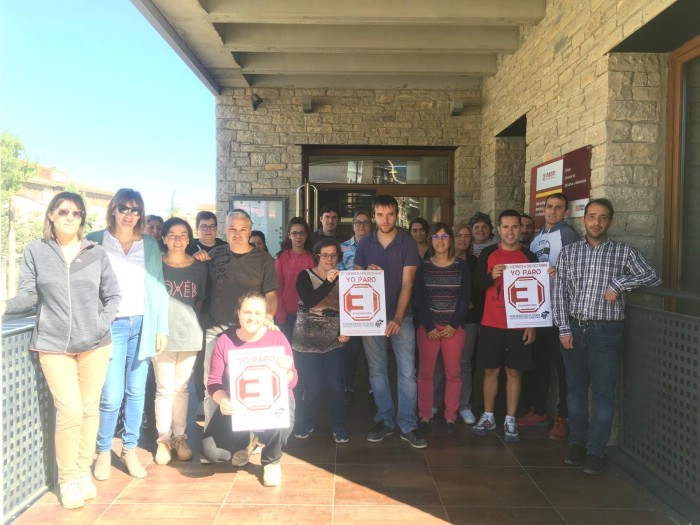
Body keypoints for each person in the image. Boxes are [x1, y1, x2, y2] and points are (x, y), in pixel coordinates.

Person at [1, 192, 120, 510]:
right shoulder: (36, 251)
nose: (70, 217)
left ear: (82, 219)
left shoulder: (95, 253)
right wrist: (4, 306)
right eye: (64, 211)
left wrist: (99, 324)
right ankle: (67, 479)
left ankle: (82, 471)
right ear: (51, 215)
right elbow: (27, 296)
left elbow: (113, 295)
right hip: (53, 345)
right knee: (70, 410)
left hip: (95, 344)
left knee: (89, 409)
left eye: (77, 213)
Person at [553, 198, 660, 474]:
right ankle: (577, 444)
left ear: (609, 221)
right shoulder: (569, 252)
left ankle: (595, 451)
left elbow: (652, 277)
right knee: (575, 391)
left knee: (602, 394)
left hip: (606, 332)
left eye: (602, 217)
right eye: (591, 216)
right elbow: (560, 293)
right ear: (583, 219)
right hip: (574, 330)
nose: (596, 222)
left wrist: (620, 283)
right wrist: (563, 328)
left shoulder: (624, 252)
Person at [88, 188, 169, 481]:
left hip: (142, 324)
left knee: (136, 392)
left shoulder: (148, 244)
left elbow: (158, 287)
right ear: (113, 209)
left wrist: (161, 327)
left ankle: (129, 449)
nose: (129, 214)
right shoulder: (96, 241)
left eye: (136, 210)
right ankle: (102, 450)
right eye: (124, 208)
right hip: (111, 326)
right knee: (110, 394)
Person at [354, 195, 426, 449]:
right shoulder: (365, 243)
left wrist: (397, 316)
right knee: (377, 372)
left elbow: (408, 283)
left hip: (401, 317)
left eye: (390, 214)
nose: (385, 220)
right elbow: (355, 279)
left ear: (397, 215)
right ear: (374, 215)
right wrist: (365, 273)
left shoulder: (407, 242)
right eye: (380, 214)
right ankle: (384, 420)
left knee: (407, 372)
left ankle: (408, 424)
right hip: (370, 318)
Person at [203, 293, 297, 486]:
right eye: (247, 312)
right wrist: (223, 401)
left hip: (274, 402)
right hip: (239, 405)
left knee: (283, 418)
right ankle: (246, 440)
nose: (252, 317)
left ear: (265, 317)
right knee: (210, 451)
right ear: (238, 313)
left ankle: (271, 460)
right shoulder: (224, 341)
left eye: (258, 313)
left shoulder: (277, 338)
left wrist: (286, 370)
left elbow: (293, 380)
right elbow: (213, 383)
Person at [196, 209, 279, 427]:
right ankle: (211, 436)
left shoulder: (264, 260)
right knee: (212, 387)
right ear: (225, 229)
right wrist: (197, 259)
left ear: (250, 231)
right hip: (216, 330)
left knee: (253, 387)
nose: (237, 233)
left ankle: (250, 439)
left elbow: (271, 294)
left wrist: (268, 316)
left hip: (250, 333)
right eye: (232, 228)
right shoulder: (214, 255)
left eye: (243, 229)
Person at [471, 210, 537, 443]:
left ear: (521, 229)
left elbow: (536, 294)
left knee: (514, 372)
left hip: (519, 325)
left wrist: (533, 326)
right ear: (498, 230)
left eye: (515, 227)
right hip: (491, 323)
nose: (510, 231)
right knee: (490, 371)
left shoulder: (530, 256)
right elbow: (476, 285)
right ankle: (488, 416)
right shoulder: (489, 253)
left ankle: (510, 418)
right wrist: (490, 276)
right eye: (506, 227)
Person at [517, 193, 579, 440]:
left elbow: (576, 269)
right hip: (540, 311)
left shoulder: (567, 235)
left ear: (565, 211)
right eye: (549, 207)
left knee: (563, 368)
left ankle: (563, 417)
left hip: (560, 312)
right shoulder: (538, 238)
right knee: (539, 364)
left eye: (558, 207)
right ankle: (539, 410)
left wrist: (559, 272)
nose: (553, 211)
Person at [152, 218, 207, 465]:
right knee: (164, 389)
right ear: (163, 238)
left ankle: (180, 438)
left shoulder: (198, 267)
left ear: (189, 238)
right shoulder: (155, 265)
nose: (177, 239)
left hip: (189, 334)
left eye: (182, 234)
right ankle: (163, 440)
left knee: (182, 389)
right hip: (161, 335)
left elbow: (200, 301)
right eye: (171, 235)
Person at [292, 239, 351, 443]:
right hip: (306, 342)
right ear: (317, 256)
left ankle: (339, 427)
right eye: (324, 255)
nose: (329, 259)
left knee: (335, 386)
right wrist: (328, 282)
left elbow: (349, 309)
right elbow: (310, 300)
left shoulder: (345, 280)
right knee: (313, 387)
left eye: (333, 255)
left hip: (333, 341)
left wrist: (347, 330)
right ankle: (306, 424)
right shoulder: (304, 275)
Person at [414, 223, 470, 434]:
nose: (440, 240)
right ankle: (425, 415)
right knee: (425, 373)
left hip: (453, 329)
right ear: (431, 241)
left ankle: (450, 417)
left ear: (451, 241)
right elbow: (419, 298)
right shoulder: (424, 266)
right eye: (436, 237)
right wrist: (429, 325)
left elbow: (465, 298)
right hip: (429, 328)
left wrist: (453, 324)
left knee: (453, 373)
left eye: (444, 236)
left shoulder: (461, 266)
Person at [433, 223, 481, 425]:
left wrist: (468, 303)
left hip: (466, 322)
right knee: (439, 363)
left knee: (463, 363)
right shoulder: (436, 260)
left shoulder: (475, 262)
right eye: (458, 235)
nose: (462, 239)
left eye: (467, 236)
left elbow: (478, 292)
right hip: (441, 319)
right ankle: (435, 403)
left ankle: (463, 405)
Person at [338, 210, 372, 406]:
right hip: (349, 308)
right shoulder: (341, 249)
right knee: (349, 350)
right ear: (352, 226)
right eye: (358, 223)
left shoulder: (378, 247)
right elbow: (339, 275)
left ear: (370, 225)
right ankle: (347, 387)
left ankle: (373, 387)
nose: (361, 226)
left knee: (371, 352)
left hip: (373, 308)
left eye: (365, 222)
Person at [275, 217, 314, 342]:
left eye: (302, 233)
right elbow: (277, 288)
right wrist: (280, 315)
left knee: (304, 355)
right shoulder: (282, 258)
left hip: (309, 315)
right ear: (289, 235)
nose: (298, 237)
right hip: (287, 316)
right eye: (294, 233)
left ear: (306, 235)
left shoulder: (313, 258)